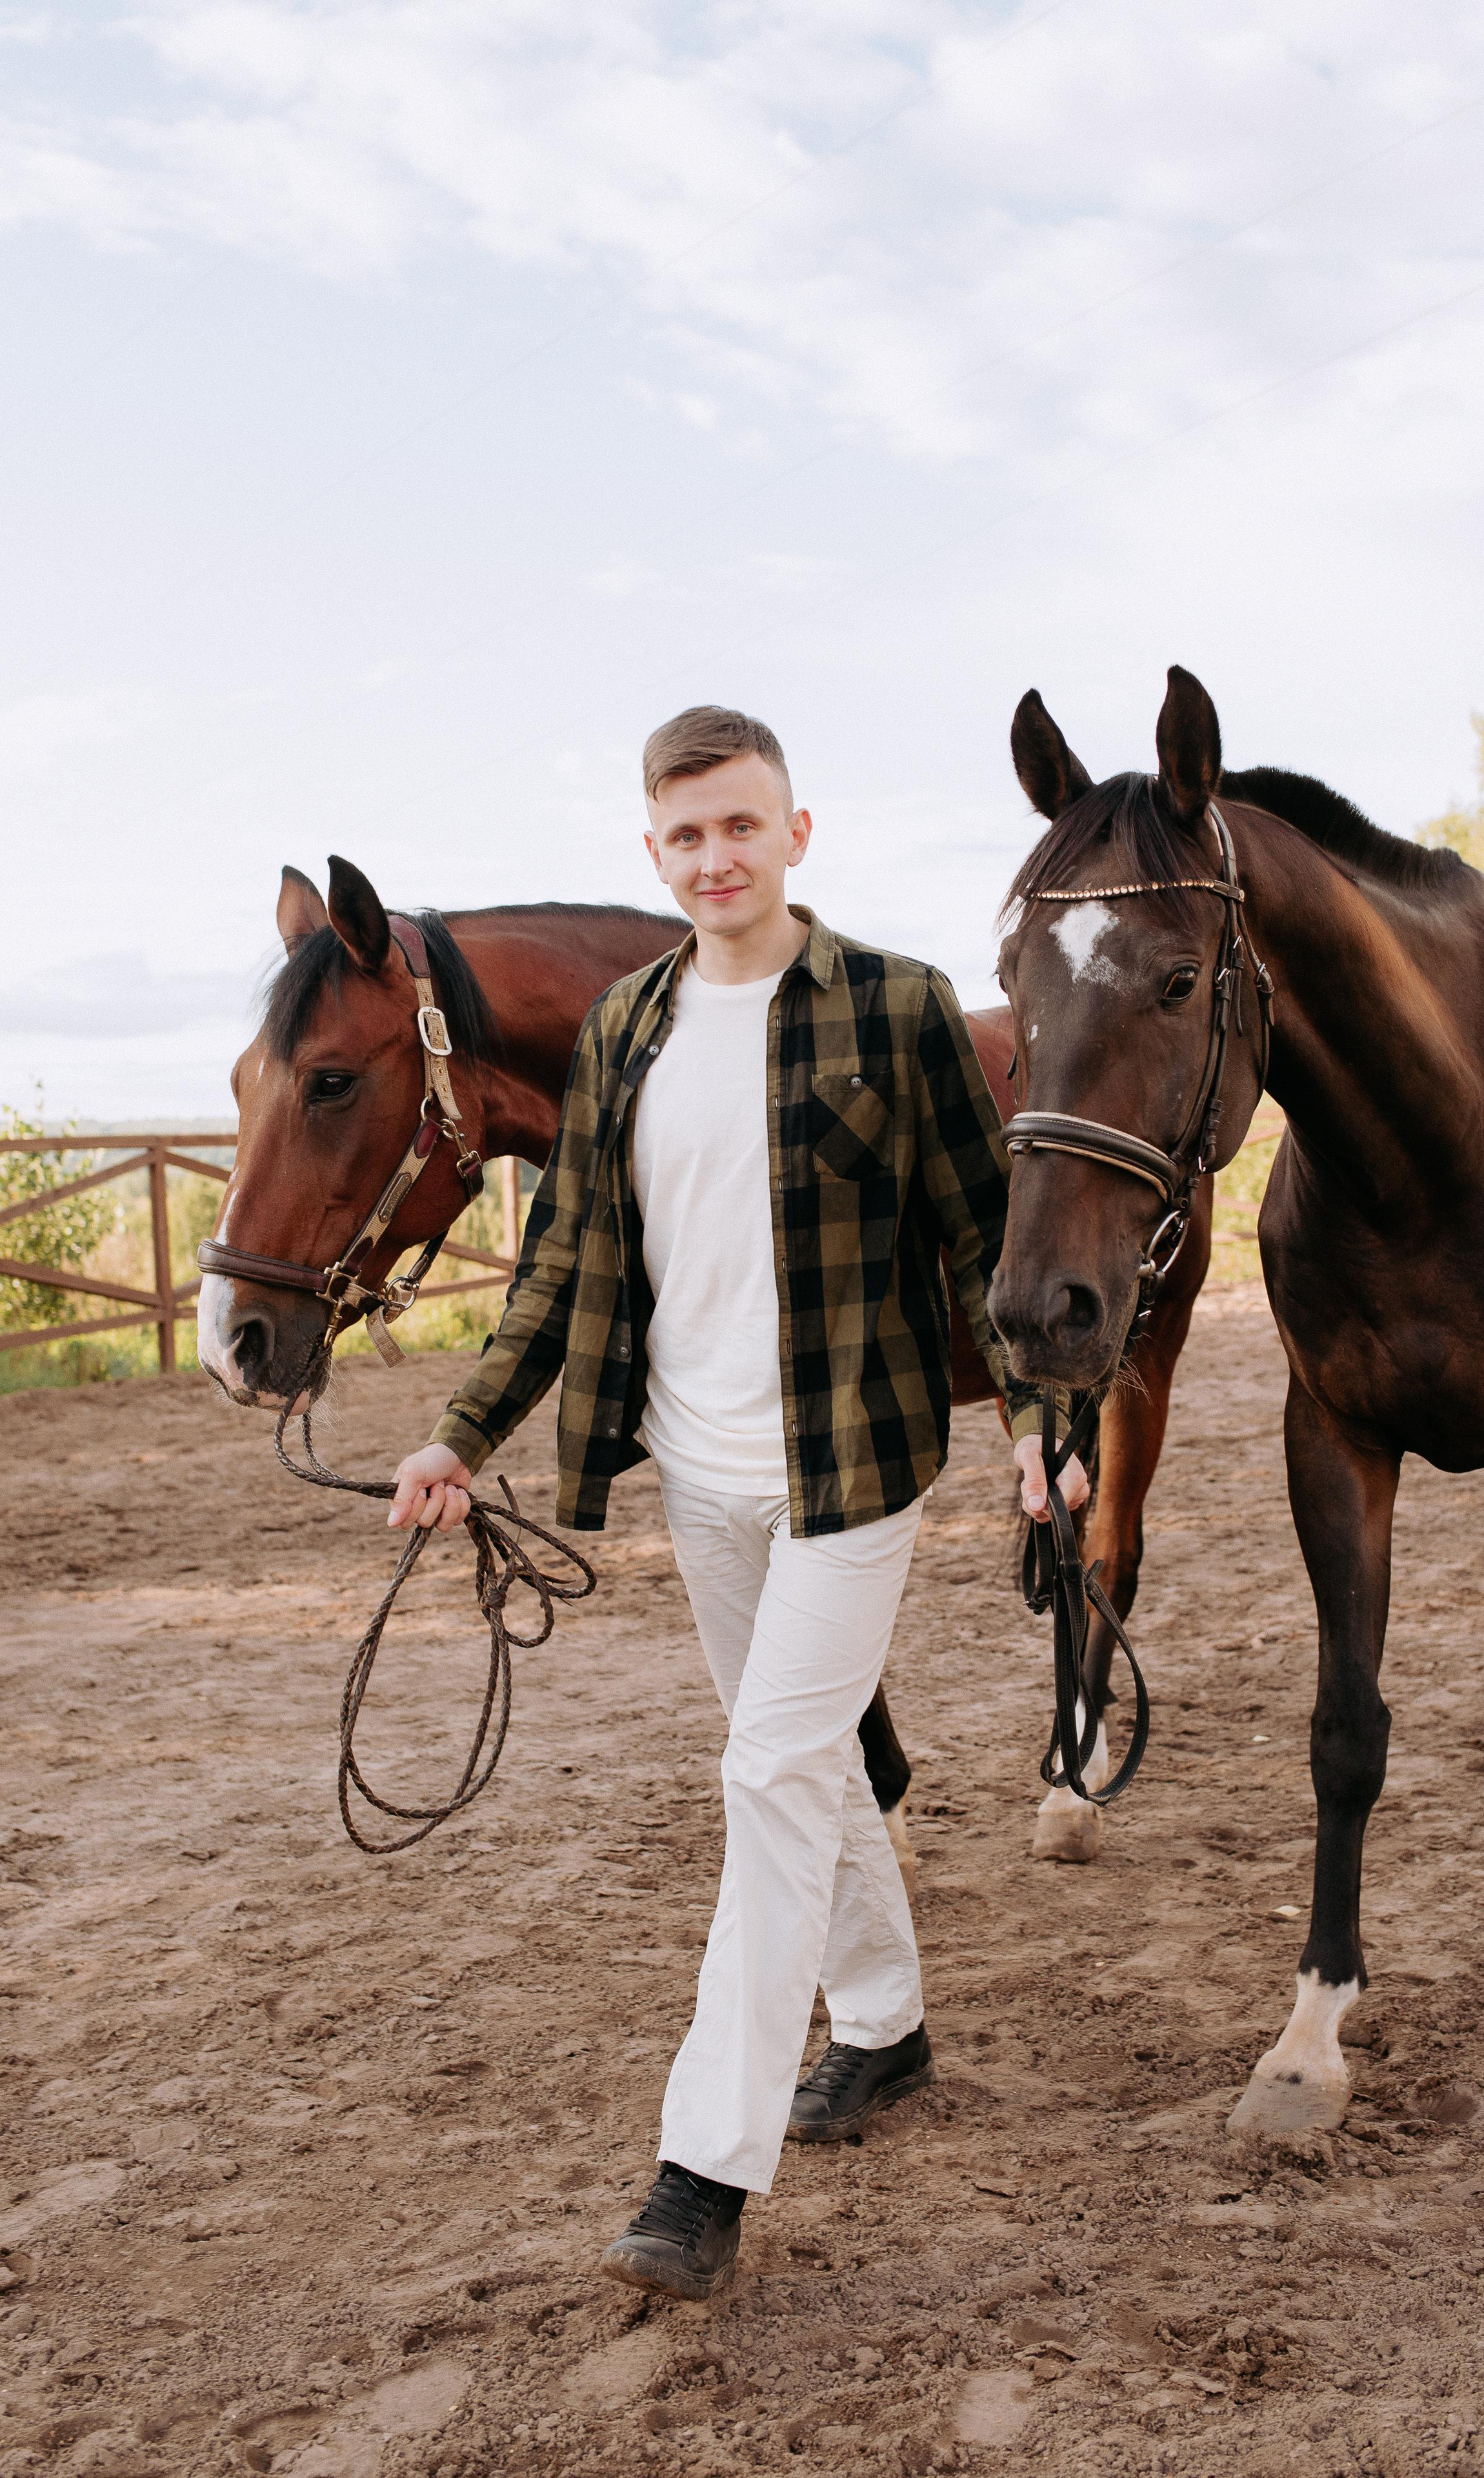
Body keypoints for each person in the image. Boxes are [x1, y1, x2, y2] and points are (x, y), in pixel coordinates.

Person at [387, 706, 1088, 2300]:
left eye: (740, 827)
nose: (716, 857)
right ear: (654, 852)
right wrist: (458, 1435)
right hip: (698, 1480)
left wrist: (1041, 1429)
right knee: (815, 1758)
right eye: (685, 835)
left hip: (852, 1467)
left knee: (766, 1770)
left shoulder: (896, 1008)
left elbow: (991, 1247)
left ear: (794, 833)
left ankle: (702, 2167)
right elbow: (561, 1258)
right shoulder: (625, 1030)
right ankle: (887, 2027)